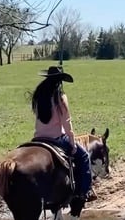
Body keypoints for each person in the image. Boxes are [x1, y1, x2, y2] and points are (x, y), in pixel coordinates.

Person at [31, 66, 95, 201]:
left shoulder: (38, 96)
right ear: (60, 81)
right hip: (56, 139)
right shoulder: (60, 97)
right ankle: (85, 191)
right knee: (83, 156)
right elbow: (66, 122)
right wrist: (72, 142)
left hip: (38, 138)